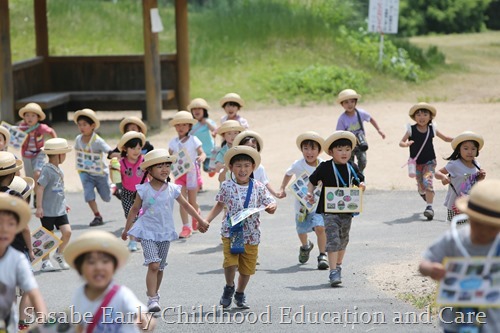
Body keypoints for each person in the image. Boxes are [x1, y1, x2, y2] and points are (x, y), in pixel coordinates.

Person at [122, 149, 207, 313]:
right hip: (146, 231)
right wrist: (127, 230)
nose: (164, 169)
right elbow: (134, 210)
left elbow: (186, 205)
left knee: (160, 267)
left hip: (165, 232)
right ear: (150, 170)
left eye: (167, 165)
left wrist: (201, 220)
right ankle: (152, 299)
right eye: (159, 166)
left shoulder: (173, 189)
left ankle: (154, 293)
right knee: (153, 264)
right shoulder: (143, 189)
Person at [199, 146, 277, 309]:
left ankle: (240, 293)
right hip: (232, 231)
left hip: (252, 234)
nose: (243, 169)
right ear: (231, 168)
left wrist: (271, 207)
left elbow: (270, 202)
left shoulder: (258, 187)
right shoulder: (227, 186)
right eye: (239, 166)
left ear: (253, 167)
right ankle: (229, 286)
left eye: (247, 165)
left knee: (247, 269)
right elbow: (219, 205)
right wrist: (206, 220)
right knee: (230, 263)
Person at [419, 179, 500, 333]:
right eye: (478, 224)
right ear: (469, 218)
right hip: (454, 320)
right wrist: (431, 269)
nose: (484, 232)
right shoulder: (454, 240)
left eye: (492, 227)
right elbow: (424, 263)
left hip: (493, 320)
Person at [306, 131, 365, 287]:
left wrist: (361, 186)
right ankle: (333, 272)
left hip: (347, 210)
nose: (344, 153)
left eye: (347, 149)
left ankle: (338, 265)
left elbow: (360, 181)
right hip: (329, 210)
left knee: (343, 239)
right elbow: (312, 181)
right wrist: (309, 193)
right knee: (333, 239)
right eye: (339, 149)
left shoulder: (352, 166)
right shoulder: (325, 166)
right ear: (331, 152)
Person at [64, 230, 154, 332]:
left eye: (105, 261)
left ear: (114, 267)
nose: (98, 267)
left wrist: (145, 321)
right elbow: (79, 326)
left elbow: (145, 315)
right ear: (80, 268)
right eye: (91, 262)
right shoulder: (79, 295)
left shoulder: (121, 295)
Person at [276, 131, 328, 270]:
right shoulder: (298, 164)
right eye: (306, 148)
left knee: (320, 227)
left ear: (319, 151)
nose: (309, 152)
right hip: (302, 205)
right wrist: (282, 188)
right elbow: (288, 174)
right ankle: (306, 246)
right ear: (301, 149)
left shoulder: (323, 164)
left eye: (313, 149)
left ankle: (323, 255)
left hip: (318, 204)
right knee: (301, 230)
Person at [0, 193, 47, 332]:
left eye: (11, 224)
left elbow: (33, 292)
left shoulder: (17, 259)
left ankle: (22, 323)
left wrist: (43, 319)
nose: (5, 229)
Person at [399, 102, 454, 220]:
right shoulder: (411, 130)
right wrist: (406, 144)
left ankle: (429, 208)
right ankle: (424, 194)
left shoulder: (432, 128)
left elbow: (445, 138)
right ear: (414, 117)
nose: (422, 117)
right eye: (418, 115)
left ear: (430, 117)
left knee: (428, 182)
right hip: (416, 163)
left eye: (425, 114)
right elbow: (401, 142)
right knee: (421, 186)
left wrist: (457, 139)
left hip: (430, 161)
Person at [35, 138, 73, 272]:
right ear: (59, 154)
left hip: (60, 209)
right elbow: (39, 187)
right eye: (64, 153)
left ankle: (59, 253)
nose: (65, 156)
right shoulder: (47, 170)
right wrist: (39, 207)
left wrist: (64, 202)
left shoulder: (57, 169)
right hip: (48, 210)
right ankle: (45, 262)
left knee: (67, 232)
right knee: (47, 236)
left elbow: (59, 189)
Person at [168, 111, 206, 238]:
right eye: (178, 125)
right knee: (182, 201)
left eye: (184, 125)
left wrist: (201, 157)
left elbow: (202, 152)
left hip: (192, 174)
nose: (181, 128)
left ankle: (196, 213)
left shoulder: (194, 140)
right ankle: (186, 227)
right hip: (179, 174)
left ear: (190, 126)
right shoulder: (173, 142)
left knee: (192, 201)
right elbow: (169, 157)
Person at [74, 108, 114, 227]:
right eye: (79, 125)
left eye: (84, 124)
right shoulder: (78, 139)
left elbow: (109, 151)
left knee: (106, 198)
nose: (81, 127)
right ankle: (97, 215)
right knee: (88, 194)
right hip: (85, 173)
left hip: (100, 173)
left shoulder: (98, 141)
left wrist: (116, 154)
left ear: (92, 126)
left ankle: (114, 189)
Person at [435, 131, 486, 224]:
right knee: (455, 232)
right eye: (466, 148)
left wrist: (480, 177)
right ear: (459, 150)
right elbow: (437, 173)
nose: (470, 152)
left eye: (473, 149)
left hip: (471, 204)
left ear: (477, 151)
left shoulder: (477, 164)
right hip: (455, 205)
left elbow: (473, 182)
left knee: (470, 232)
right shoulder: (454, 164)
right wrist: (443, 177)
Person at [335, 89, 385, 174]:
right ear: (342, 104)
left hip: (360, 142)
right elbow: (339, 133)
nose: (349, 104)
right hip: (349, 145)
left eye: (352, 101)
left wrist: (379, 130)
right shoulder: (342, 119)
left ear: (355, 102)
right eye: (346, 102)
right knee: (348, 162)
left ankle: (360, 174)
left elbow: (371, 119)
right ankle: (351, 175)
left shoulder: (361, 113)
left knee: (363, 160)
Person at [17, 103, 57, 205]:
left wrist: (55, 142)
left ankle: (37, 195)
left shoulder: (41, 127)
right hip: (26, 154)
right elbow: (14, 135)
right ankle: (32, 194)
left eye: (33, 115)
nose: (29, 118)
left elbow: (51, 131)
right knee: (29, 176)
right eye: (27, 115)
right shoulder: (22, 127)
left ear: (38, 117)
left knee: (37, 173)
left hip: (39, 153)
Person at [116, 131, 148, 252]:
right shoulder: (120, 163)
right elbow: (116, 179)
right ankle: (132, 241)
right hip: (127, 194)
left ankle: (140, 238)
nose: (136, 151)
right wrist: (112, 171)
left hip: (143, 192)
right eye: (133, 148)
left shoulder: (145, 161)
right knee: (131, 217)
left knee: (143, 216)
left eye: (139, 148)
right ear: (125, 148)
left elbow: (151, 175)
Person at [233, 130, 279, 197]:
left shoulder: (260, 168)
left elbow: (265, 183)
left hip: (255, 200)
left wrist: (275, 193)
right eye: (247, 147)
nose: (251, 150)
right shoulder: (235, 167)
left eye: (253, 147)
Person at [188, 98, 217, 178]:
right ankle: (199, 185)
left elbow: (215, 129)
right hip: (195, 151)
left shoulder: (207, 121)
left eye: (199, 109)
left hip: (208, 151)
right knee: (195, 170)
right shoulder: (190, 123)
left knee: (206, 168)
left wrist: (207, 122)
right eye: (194, 109)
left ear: (204, 111)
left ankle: (212, 169)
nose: (197, 111)